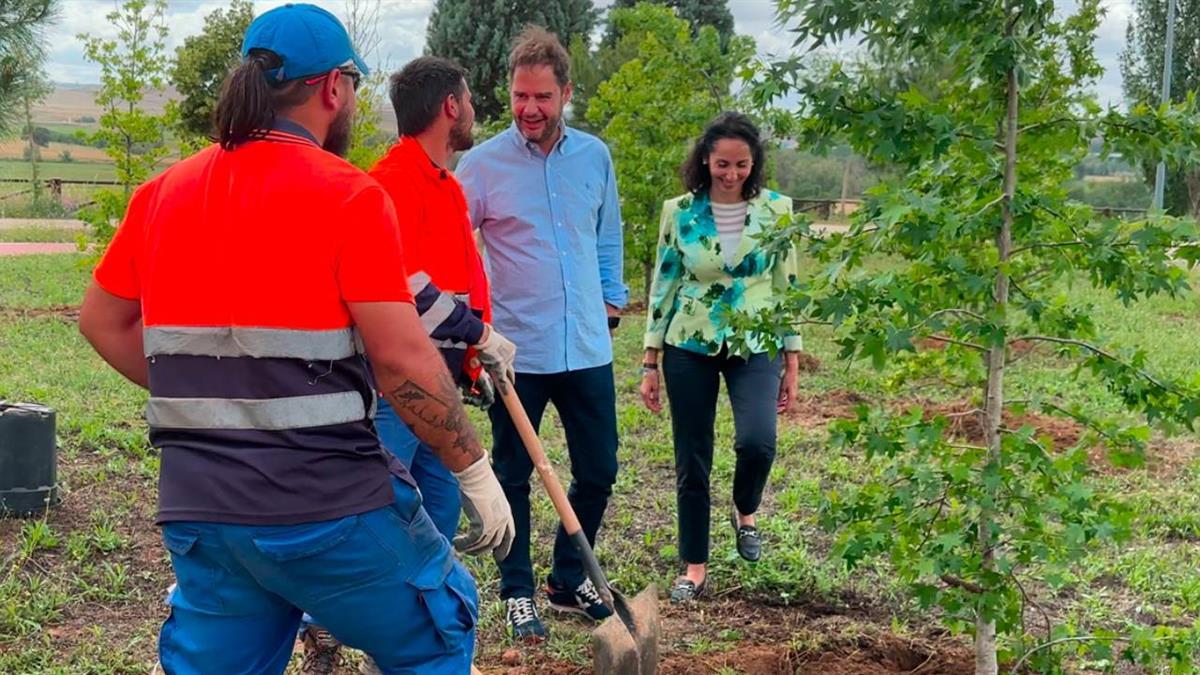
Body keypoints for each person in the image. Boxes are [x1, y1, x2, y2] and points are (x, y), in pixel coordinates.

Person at [76, 5, 514, 674]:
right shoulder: (348, 196)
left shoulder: (163, 192)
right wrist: (473, 468)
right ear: (333, 88)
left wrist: (213, 399)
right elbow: (400, 359)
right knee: (439, 623)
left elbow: (101, 321)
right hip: (326, 509)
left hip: (202, 511)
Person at [299, 55, 514, 674]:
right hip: (395, 391)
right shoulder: (388, 183)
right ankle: (326, 633)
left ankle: (411, 647)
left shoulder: (449, 186)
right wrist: (481, 332)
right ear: (451, 105)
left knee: (435, 522)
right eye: (470, 96)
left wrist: (474, 354)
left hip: (443, 385)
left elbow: (459, 282)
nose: (473, 108)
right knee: (380, 514)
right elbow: (404, 286)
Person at [456, 26, 628, 641]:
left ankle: (564, 579)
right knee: (511, 474)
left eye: (543, 98)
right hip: (515, 353)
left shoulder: (594, 156)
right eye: (520, 96)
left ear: (566, 94)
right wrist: (472, 328)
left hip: (586, 346)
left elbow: (607, 235)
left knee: (599, 470)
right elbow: (455, 250)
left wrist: (612, 301)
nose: (529, 109)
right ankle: (518, 590)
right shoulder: (480, 166)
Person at [638, 112, 803, 604]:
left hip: (757, 343)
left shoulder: (778, 211)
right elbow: (664, 282)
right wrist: (650, 360)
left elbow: (787, 286)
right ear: (706, 161)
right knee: (693, 458)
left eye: (742, 165)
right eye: (723, 164)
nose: (732, 174)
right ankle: (694, 565)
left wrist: (792, 359)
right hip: (691, 343)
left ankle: (745, 509)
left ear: (755, 164)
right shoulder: (681, 211)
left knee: (758, 442)